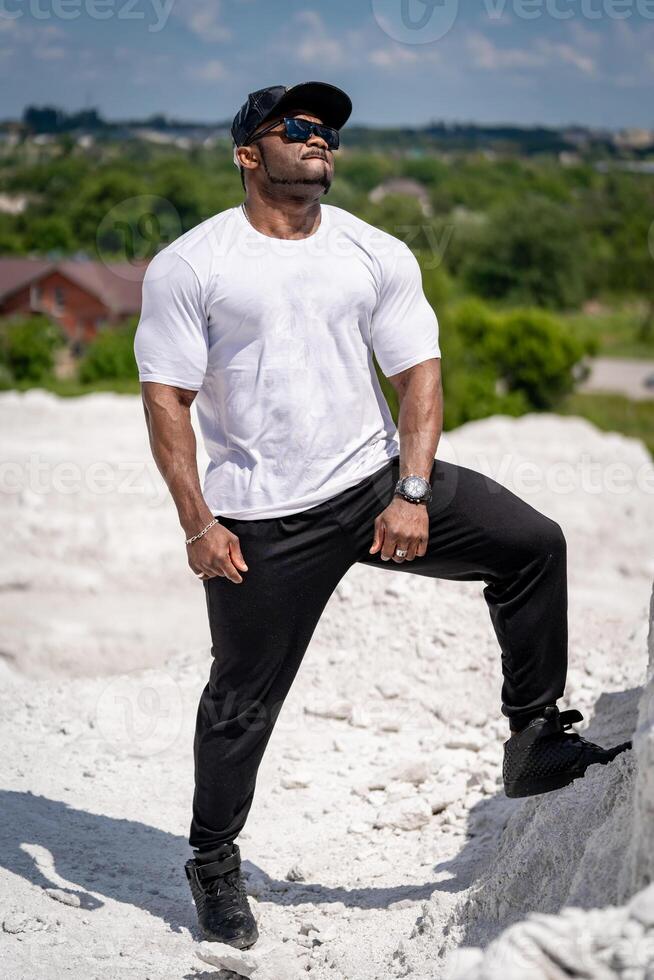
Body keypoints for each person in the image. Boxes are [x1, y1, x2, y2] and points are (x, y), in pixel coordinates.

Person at [133, 81, 632, 950]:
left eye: (328, 129)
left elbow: (419, 375)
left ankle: (534, 736)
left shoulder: (374, 250)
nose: (319, 137)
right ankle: (214, 860)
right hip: (264, 519)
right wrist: (198, 524)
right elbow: (167, 400)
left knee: (531, 545)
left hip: (372, 484)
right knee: (240, 704)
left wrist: (410, 489)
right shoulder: (192, 264)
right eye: (297, 127)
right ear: (248, 152)